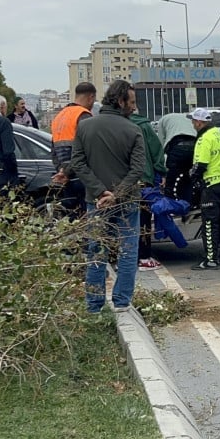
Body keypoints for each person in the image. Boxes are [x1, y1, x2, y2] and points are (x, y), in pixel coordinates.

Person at [68, 79, 147, 312]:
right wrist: (117, 193)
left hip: (96, 202)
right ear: (121, 101)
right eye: (131, 102)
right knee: (128, 250)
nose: (134, 107)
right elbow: (137, 169)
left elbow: (78, 163)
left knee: (96, 251)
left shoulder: (85, 127)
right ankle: (122, 302)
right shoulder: (133, 130)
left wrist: (100, 191)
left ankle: (94, 305)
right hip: (127, 201)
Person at [125, 89, 167, 271]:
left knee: (124, 219)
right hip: (143, 178)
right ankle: (143, 256)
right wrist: (162, 172)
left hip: (120, 181)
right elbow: (156, 150)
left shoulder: (115, 124)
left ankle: (125, 256)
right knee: (143, 218)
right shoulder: (143, 126)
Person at [188, 107, 220, 270]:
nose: (193, 124)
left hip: (211, 187)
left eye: (193, 121)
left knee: (209, 224)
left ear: (199, 123)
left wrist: (192, 176)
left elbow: (201, 165)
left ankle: (211, 259)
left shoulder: (204, 139)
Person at [50, 82, 97, 217]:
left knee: (72, 218)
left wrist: (61, 171)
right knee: (88, 218)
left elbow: (53, 149)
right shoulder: (83, 115)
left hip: (65, 179)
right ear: (91, 97)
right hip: (82, 177)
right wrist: (67, 171)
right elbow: (88, 148)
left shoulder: (60, 116)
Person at [156, 110, 198, 204]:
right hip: (194, 147)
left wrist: (163, 170)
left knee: (171, 181)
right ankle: (188, 204)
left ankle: (169, 205)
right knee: (188, 178)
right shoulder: (188, 118)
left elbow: (160, 144)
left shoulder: (163, 120)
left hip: (177, 147)